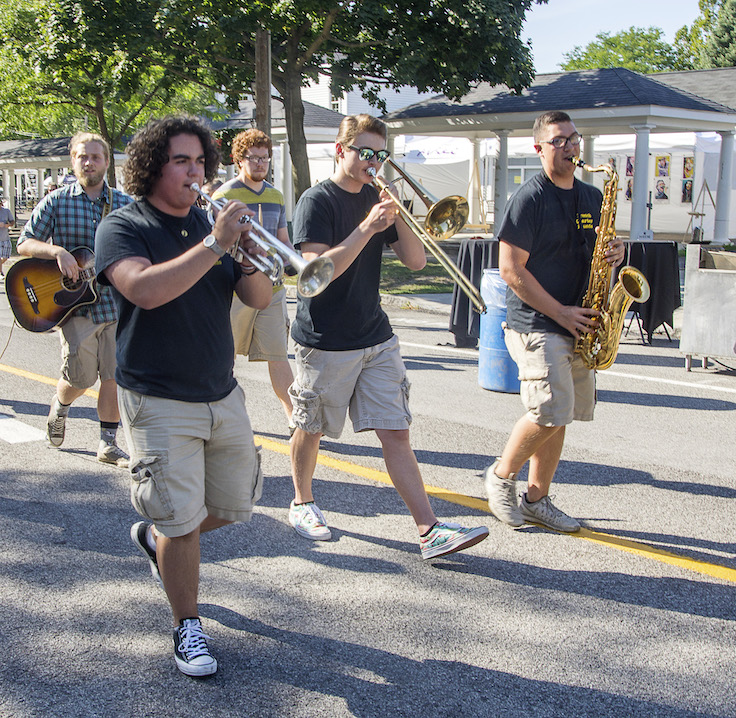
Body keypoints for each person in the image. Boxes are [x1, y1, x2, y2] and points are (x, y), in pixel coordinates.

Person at [95, 115, 271, 677]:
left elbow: (261, 298)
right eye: (181, 162)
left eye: (200, 162)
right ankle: (187, 625)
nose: (195, 173)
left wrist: (245, 253)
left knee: (234, 503)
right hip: (158, 395)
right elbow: (146, 291)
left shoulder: (209, 222)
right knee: (181, 519)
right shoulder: (124, 226)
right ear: (152, 167)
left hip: (220, 390)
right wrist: (215, 244)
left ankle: (157, 534)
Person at [287, 114, 489, 559]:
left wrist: (402, 217)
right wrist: (368, 227)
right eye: (365, 152)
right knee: (312, 426)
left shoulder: (381, 201)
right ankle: (302, 501)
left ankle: (428, 529)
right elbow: (316, 274)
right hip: (324, 337)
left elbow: (417, 262)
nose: (373, 162)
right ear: (341, 151)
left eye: (380, 154)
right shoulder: (316, 201)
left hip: (375, 335)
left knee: (396, 432)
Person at [485, 110, 624, 533]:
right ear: (539, 148)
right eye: (559, 140)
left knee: (562, 415)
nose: (570, 147)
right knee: (548, 410)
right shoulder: (529, 198)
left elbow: (602, 254)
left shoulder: (592, 197)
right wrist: (560, 311)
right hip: (536, 323)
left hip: (580, 321)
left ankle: (537, 499)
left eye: (574, 138)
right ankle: (500, 477)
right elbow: (511, 270)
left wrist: (617, 256)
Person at [18, 132, 134, 466]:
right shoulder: (57, 201)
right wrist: (57, 252)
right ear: (73, 160)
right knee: (79, 379)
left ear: (107, 162)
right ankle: (60, 404)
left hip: (115, 305)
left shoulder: (125, 204)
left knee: (114, 376)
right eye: (83, 156)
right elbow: (24, 243)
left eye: (96, 157)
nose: (89, 163)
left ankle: (108, 443)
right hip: (74, 307)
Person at [212, 129, 295, 428]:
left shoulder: (275, 195)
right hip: (235, 290)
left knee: (278, 355)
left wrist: (293, 262)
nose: (260, 163)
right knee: (225, 355)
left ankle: (293, 417)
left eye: (265, 158)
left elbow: (283, 238)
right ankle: (224, 416)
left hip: (272, 288)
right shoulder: (224, 195)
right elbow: (217, 243)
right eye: (254, 158)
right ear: (239, 160)